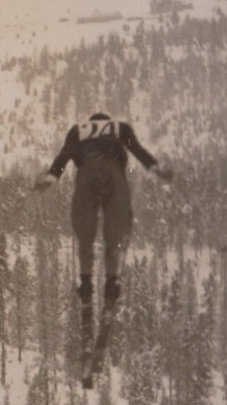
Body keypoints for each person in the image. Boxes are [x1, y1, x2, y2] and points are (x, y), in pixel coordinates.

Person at [33, 111, 172, 306]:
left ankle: (86, 282)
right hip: (114, 174)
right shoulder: (120, 128)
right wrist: (156, 169)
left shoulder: (77, 131)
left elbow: (63, 156)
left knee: (85, 232)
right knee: (115, 231)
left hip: (87, 174)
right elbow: (138, 151)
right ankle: (111, 283)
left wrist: (50, 178)